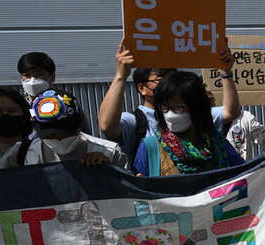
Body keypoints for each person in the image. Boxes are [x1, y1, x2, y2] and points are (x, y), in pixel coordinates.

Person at [98, 39, 240, 164]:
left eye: (178, 108)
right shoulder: (136, 124)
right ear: (142, 88)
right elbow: (107, 125)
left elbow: (230, 112)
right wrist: (120, 76)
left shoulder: (195, 118)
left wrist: (226, 73)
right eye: (161, 80)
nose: (168, 84)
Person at [133, 71, 243, 176]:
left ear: (196, 107)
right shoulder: (150, 148)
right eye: (165, 107)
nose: (170, 115)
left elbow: (246, 176)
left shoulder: (218, 144)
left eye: (178, 107)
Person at [0, 90, 129, 169]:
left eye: (65, 134)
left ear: (81, 121)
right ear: (35, 126)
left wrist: (109, 168)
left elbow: (129, 200)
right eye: (51, 135)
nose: (59, 139)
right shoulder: (21, 154)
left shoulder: (109, 152)